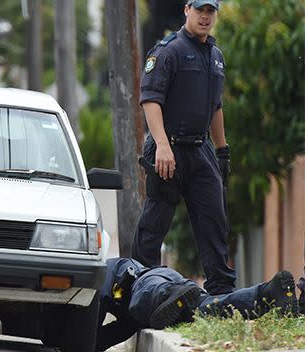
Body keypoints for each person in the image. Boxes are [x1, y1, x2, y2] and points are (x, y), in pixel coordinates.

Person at [132, 0, 236, 295]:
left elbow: (216, 107)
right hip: (169, 148)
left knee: (215, 224)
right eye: (200, 10)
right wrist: (162, 145)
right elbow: (150, 99)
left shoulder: (215, 56)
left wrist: (222, 149)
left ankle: (222, 298)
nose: (205, 17)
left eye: (210, 12)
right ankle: (140, 289)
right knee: (154, 224)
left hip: (201, 150)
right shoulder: (169, 50)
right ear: (187, 9)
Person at [96, 258, 300, 351]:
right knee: (212, 308)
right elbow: (109, 336)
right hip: (175, 295)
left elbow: (96, 305)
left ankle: (171, 295)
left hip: (147, 280)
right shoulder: (130, 315)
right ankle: (269, 292)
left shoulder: (109, 268)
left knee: (142, 300)